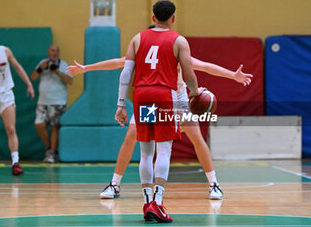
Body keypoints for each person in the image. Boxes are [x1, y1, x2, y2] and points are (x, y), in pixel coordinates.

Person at [67, 56, 252, 201]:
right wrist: (86, 68)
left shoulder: (176, 51)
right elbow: (117, 62)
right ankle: (114, 184)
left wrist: (232, 75)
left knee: (196, 137)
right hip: (152, 100)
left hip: (178, 100)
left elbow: (204, 65)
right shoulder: (143, 52)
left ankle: (214, 184)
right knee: (131, 136)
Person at [118, 0, 204, 223]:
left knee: (145, 151)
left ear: (153, 17)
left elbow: (126, 74)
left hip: (142, 94)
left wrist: (120, 104)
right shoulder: (178, 41)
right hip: (164, 94)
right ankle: (158, 203)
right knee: (164, 150)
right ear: (173, 18)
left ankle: (147, 202)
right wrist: (195, 93)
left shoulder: (137, 38)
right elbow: (188, 73)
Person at [0, 35, 35, 175]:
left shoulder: (4, 51)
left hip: (6, 94)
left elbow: (17, 67)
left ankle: (15, 163)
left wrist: (29, 84)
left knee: (10, 128)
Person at [31, 45, 73, 163]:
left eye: (57, 51)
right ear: (48, 52)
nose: (55, 53)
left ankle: (51, 154)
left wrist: (57, 71)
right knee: (39, 125)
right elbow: (33, 77)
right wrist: (40, 68)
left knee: (55, 127)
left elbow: (70, 81)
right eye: (53, 50)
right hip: (43, 101)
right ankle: (49, 147)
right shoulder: (43, 63)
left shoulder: (63, 64)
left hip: (57, 101)